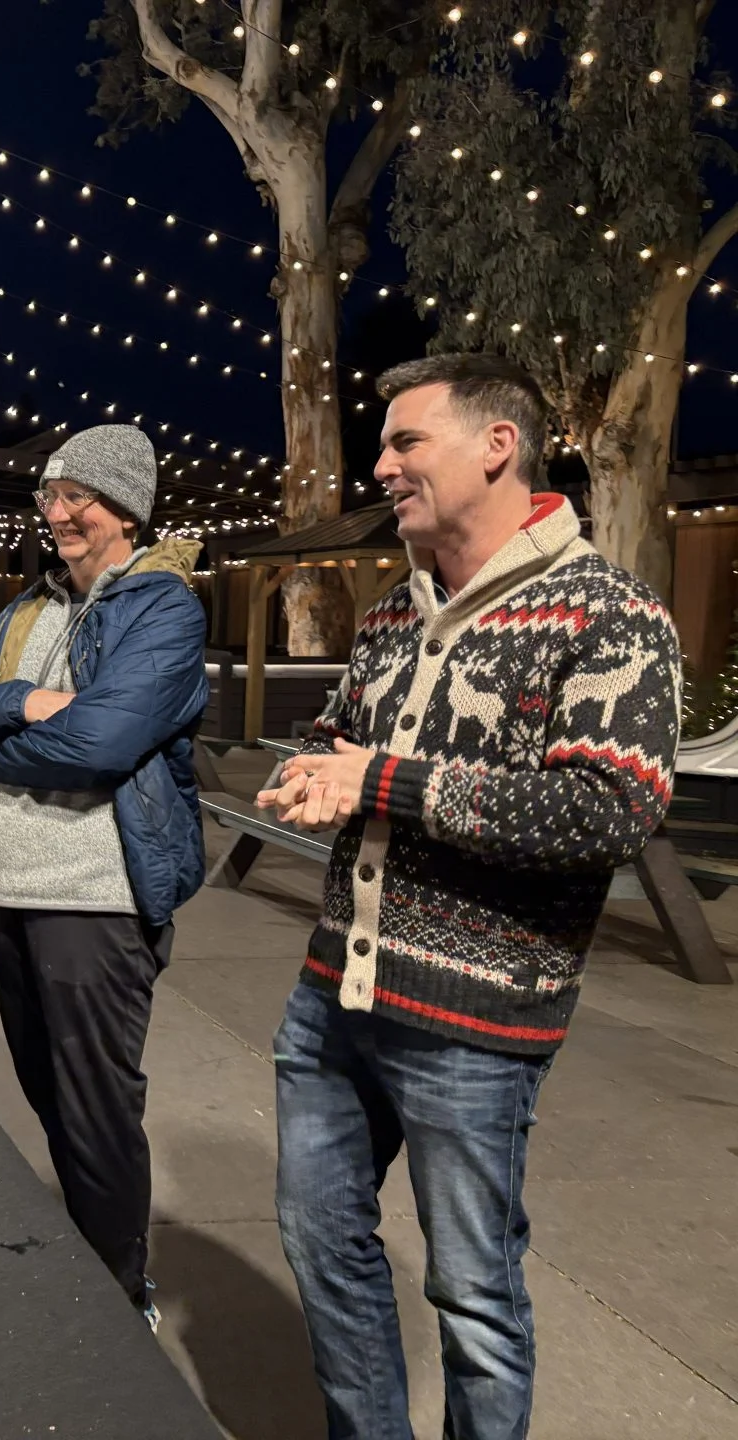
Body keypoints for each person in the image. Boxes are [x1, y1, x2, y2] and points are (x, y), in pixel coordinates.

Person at [256, 356, 681, 1440]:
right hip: (332, 1001)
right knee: (320, 1243)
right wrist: (313, 770)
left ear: (498, 446)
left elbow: (608, 812)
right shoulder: (392, 615)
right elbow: (343, 739)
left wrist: (383, 782)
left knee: (474, 1297)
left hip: (475, 1030)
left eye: (406, 442)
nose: (381, 466)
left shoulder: (613, 614)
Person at [0, 424, 208, 1332]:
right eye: (50, 495)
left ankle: (120, 1299)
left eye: (79, 495)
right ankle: (85, 1269)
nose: (59, 512)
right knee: (46, 1090)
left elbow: (100, 744)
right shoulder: (26, 612)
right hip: (2, 887)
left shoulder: (163, 610)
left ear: (127, 508)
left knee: (97, 1108)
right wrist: (22, 700)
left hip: (94, 896)